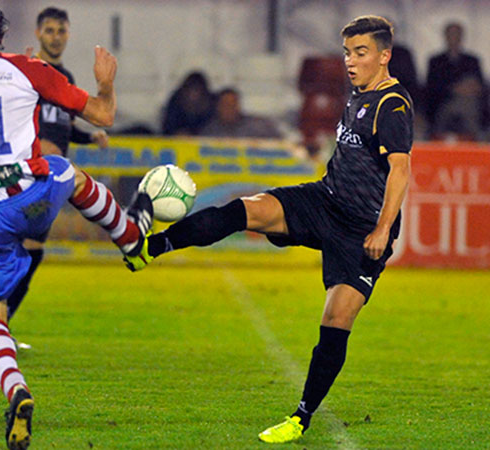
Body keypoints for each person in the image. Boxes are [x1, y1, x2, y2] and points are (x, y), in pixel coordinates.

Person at [125, 15, 412, 444]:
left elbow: (400, 171)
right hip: (324, 200)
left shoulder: (393, 106)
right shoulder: (357, 93)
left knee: (336, 318)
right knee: (247, 209)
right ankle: (153, 246)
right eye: (348, 53)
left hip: (362, 230)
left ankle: (300, 418)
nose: (351, 62)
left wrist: (382, 230)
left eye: (361, 53)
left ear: (384, 55)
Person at [0, 1, 152, 448]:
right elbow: (103, 116)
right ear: (1, 34)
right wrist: (106, 83)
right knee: (70, 173)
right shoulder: (27, 69)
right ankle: (131, 240)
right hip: (30, 199)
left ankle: (17, 390)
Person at [0, 6, 110, 346]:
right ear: (39, 33)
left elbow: (63, 126)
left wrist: (89, 137)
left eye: (61, 31)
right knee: (25, 247)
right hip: (27, 174)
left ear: (68, 35)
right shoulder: (26, 70)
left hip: (46, 180)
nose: (56, 37)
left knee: (26, 249)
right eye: (50, 30)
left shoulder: (64, 76)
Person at [425, 22, 490, 140]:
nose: (454, 38)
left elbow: (480, 85)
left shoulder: (472, 60)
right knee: (465, 104)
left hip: (470, 103)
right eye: (451, 34)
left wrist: (470, 88)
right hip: (444, 105)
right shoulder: (436, 61)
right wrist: (455, 89)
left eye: (457, 34)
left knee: (469, 104)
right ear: (445, 37)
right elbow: (432, 88)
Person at [200, 87, 282, 138]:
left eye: (233, 104)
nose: (230, 109)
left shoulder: (258, 128)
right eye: (226, 105)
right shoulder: (210, 131)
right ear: (218, 107)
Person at [161, 71, 215, 135]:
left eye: (197, 90)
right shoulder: (175, 102)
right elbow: (167, 128)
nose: (193, 95)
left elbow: (214, 128)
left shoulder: (211, 106)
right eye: (191, 90)